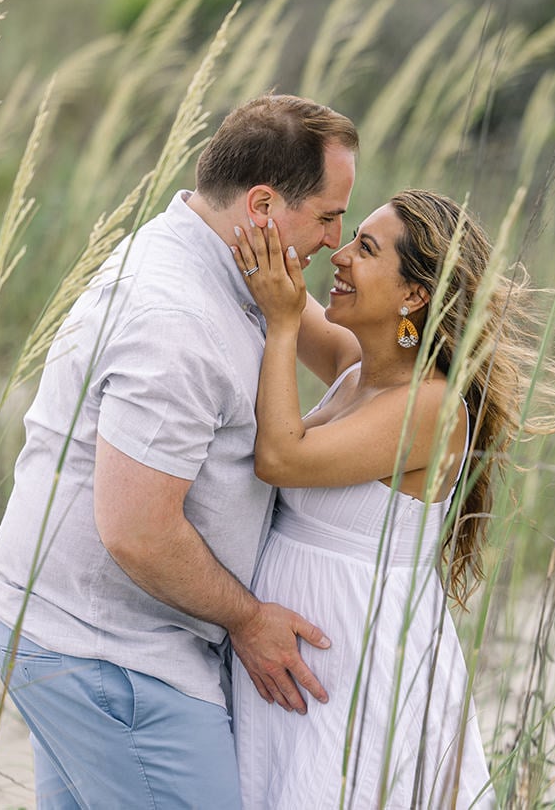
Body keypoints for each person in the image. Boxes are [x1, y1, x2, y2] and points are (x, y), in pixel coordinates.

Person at [0, 93, 358, 808]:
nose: (335, 239)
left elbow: (353, 358)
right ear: (266, 204)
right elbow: (138, 531)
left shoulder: (233, 261)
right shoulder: (175, 318)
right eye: (329, 216)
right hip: (105, 650)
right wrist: (248, 620)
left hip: (92, 636)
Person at [227, 189, 534, 808]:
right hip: (300, 661)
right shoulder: (355, 367)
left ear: (414, 295)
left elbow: (281, 458)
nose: (339, 256)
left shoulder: (433, 407)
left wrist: (285, 324)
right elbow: (272, 276)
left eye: (364, 249)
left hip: (360, 662)